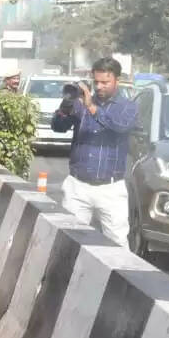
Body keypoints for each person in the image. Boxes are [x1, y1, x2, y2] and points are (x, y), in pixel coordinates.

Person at [51, 57, 138, 246]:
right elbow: (58, 127)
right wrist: (66, 105)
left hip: (111, 189)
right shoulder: (80, 103)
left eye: (105, 82)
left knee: (117, 244)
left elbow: (120, 126)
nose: (99, 87)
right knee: (69, 241)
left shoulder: (128, 107)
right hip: (78, 186)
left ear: (117, 80)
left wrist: (91, 107)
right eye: (96, 82)